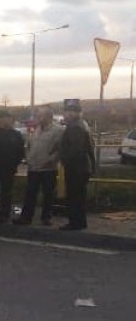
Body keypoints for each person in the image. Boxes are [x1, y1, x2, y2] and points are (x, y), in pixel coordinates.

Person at [13, 107, 64, 226]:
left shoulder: (58, 131)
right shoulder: (36, 130)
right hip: (33, 167)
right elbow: (30, 145)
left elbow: (60, 149)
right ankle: (26, 217)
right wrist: (28, 158)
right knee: (30, 193)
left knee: (48, 193)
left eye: (41, 116)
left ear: (49, 117)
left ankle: (46, 217)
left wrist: (50, 160)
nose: (38, 118)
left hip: (48, 168)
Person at [59, 99, 96, 231]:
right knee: (79, 196)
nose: (67, 114)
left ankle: (75, 222)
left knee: (75, 196)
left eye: (71, 111)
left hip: (76, 168)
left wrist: (64, 158)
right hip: (82, 167)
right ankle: (79, 221)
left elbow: (76, 149)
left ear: (77, 113)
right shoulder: (82, 125)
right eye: (67, 111)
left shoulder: (75, 127)